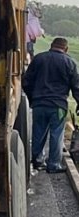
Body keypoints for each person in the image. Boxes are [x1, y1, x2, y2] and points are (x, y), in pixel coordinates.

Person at [23, 37, 79, 173]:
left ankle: (37, 161)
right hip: (58, 106)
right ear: (66, 49)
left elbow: (26, 81)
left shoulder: (38, 59)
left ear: (51, 46)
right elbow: (76, 87)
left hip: (39, 104)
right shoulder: (69, 62)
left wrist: (32, 99)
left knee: (38, 132)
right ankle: (54, 165)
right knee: (56, 134)